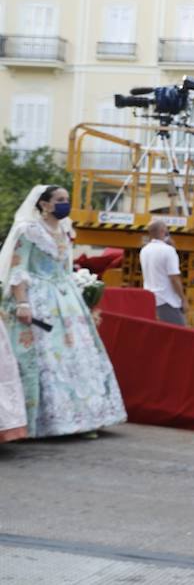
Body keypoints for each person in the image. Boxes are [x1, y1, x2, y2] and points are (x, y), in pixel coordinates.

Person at [0, 185, 126, 439]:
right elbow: (18, 268)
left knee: (79, 357)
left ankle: (84, 419)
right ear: (44, 204)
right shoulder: (29, 231)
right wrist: (22, 303)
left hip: (66, 300)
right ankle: (41, 423)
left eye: (67, 200)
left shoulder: (65, 230)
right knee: (46, 359)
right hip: (39, 299)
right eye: (59, 200)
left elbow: (65, 267)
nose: (64, 204)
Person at [138, 220, 187, 325]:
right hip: (167, 301)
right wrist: (183, 299)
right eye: (167, 232)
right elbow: (174, 279)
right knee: (181, 335)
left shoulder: (144, 251)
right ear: (162, 231)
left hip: (151, 300)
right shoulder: (168, 251)